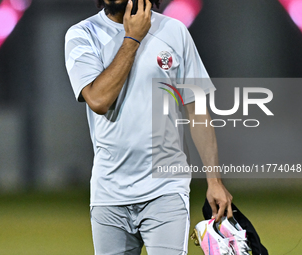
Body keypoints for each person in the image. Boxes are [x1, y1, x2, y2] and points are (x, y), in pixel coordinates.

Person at [65, 0, 233, 254]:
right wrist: (132, 38)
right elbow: (98, 100)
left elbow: (196, 111)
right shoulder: (82, 34)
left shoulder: (174, 32)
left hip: (165, 190)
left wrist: (214, 180)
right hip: (108, 193)